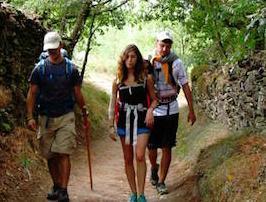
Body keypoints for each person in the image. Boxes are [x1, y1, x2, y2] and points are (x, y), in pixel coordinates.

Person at [26, 31, 89, 202]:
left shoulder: (71, 69)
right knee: (49, 155)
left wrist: (84, 110)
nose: (52, 52)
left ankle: (64, 189)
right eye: (49, 50)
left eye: (54, 48)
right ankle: (56, 185)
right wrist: (30, 117)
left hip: (66, 116)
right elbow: (32, 93)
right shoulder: (40, 69)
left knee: (63, 153)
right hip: (45, 118)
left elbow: (77, 92)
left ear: (60, 46)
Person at [148, 31, 196, 195]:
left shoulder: (177, 63)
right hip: (154, 111)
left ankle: (161, 182)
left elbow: (185, 86)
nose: (165, 48)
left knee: (167, 146)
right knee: (152, 147)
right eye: (162, 44)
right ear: (156, 44)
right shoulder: (149, 62)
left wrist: (191, 110)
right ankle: (154, 167)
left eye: (168, 45)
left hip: (171, 109)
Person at [108, 44, 158, 202]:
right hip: (124, 122)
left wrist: (150, 110)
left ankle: (142, 194)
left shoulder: (146, 78)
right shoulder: (117, 81)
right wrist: (110, 125)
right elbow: (112, 104)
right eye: (127, 57)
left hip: (142, 120)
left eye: (133, 57)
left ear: (138, 59)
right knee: (128, 158)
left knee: (140, 155)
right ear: (123, 59)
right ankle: (133, 194)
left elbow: (155, 100)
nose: (130, 60)